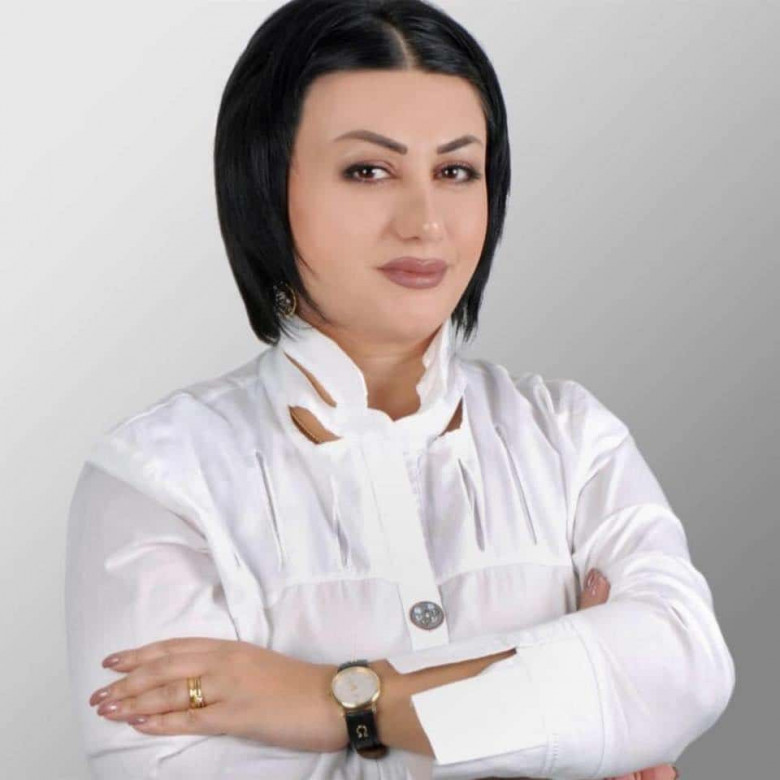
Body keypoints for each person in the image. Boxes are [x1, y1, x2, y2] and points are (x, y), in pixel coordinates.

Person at [65, 1, 733, 778]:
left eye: (455, 171)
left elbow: (685, 666)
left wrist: (342, 702)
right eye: (368, 170)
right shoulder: (158, 480)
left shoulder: (570, 437)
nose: (426, 222)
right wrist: (573, 713)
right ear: (265, 186)